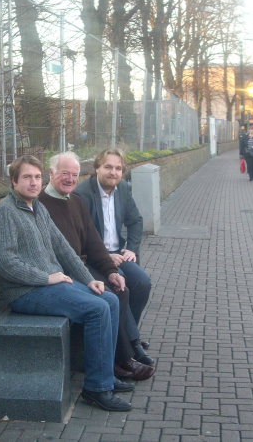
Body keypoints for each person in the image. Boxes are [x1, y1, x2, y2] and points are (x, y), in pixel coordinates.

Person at [0, 155, 133, 412]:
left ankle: (104, 374)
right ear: (14, 181)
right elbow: (4, 263)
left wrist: (90, 280)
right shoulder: (5, 213)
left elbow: (64, 249)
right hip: (25, 291)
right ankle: (97, 389)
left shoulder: (37, 208)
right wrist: (46, 278)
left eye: (36, 177)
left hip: (51, 285)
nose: (33, 183)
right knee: (97, 309)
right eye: (26, 177)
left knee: (109, 299)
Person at [39, 152, 154, 381]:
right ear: (50, 173)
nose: (70, 179)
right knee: (111, 295)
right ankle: (121, 359)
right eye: (65, 174)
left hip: (91, 262)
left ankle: (122, 352)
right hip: (66, 271)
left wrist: (111, 271)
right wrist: (101, 270)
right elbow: (64, 254)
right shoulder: (44, 204)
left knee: (129, 285)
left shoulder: (74, 200)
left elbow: (92, 240)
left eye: (74, 174)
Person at [73, 149, 152, 367]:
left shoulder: (123, 189)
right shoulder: (82, 195)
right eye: (108, 167)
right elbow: (80, 236)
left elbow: (136, 220)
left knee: (143, 283)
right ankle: (132, 345)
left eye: (118, 168)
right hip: (96, 260)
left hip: (120, 253)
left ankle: (126, 336)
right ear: (96, 168)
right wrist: (105, 256)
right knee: (120, 290)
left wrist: (132, 249)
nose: (113, 172)